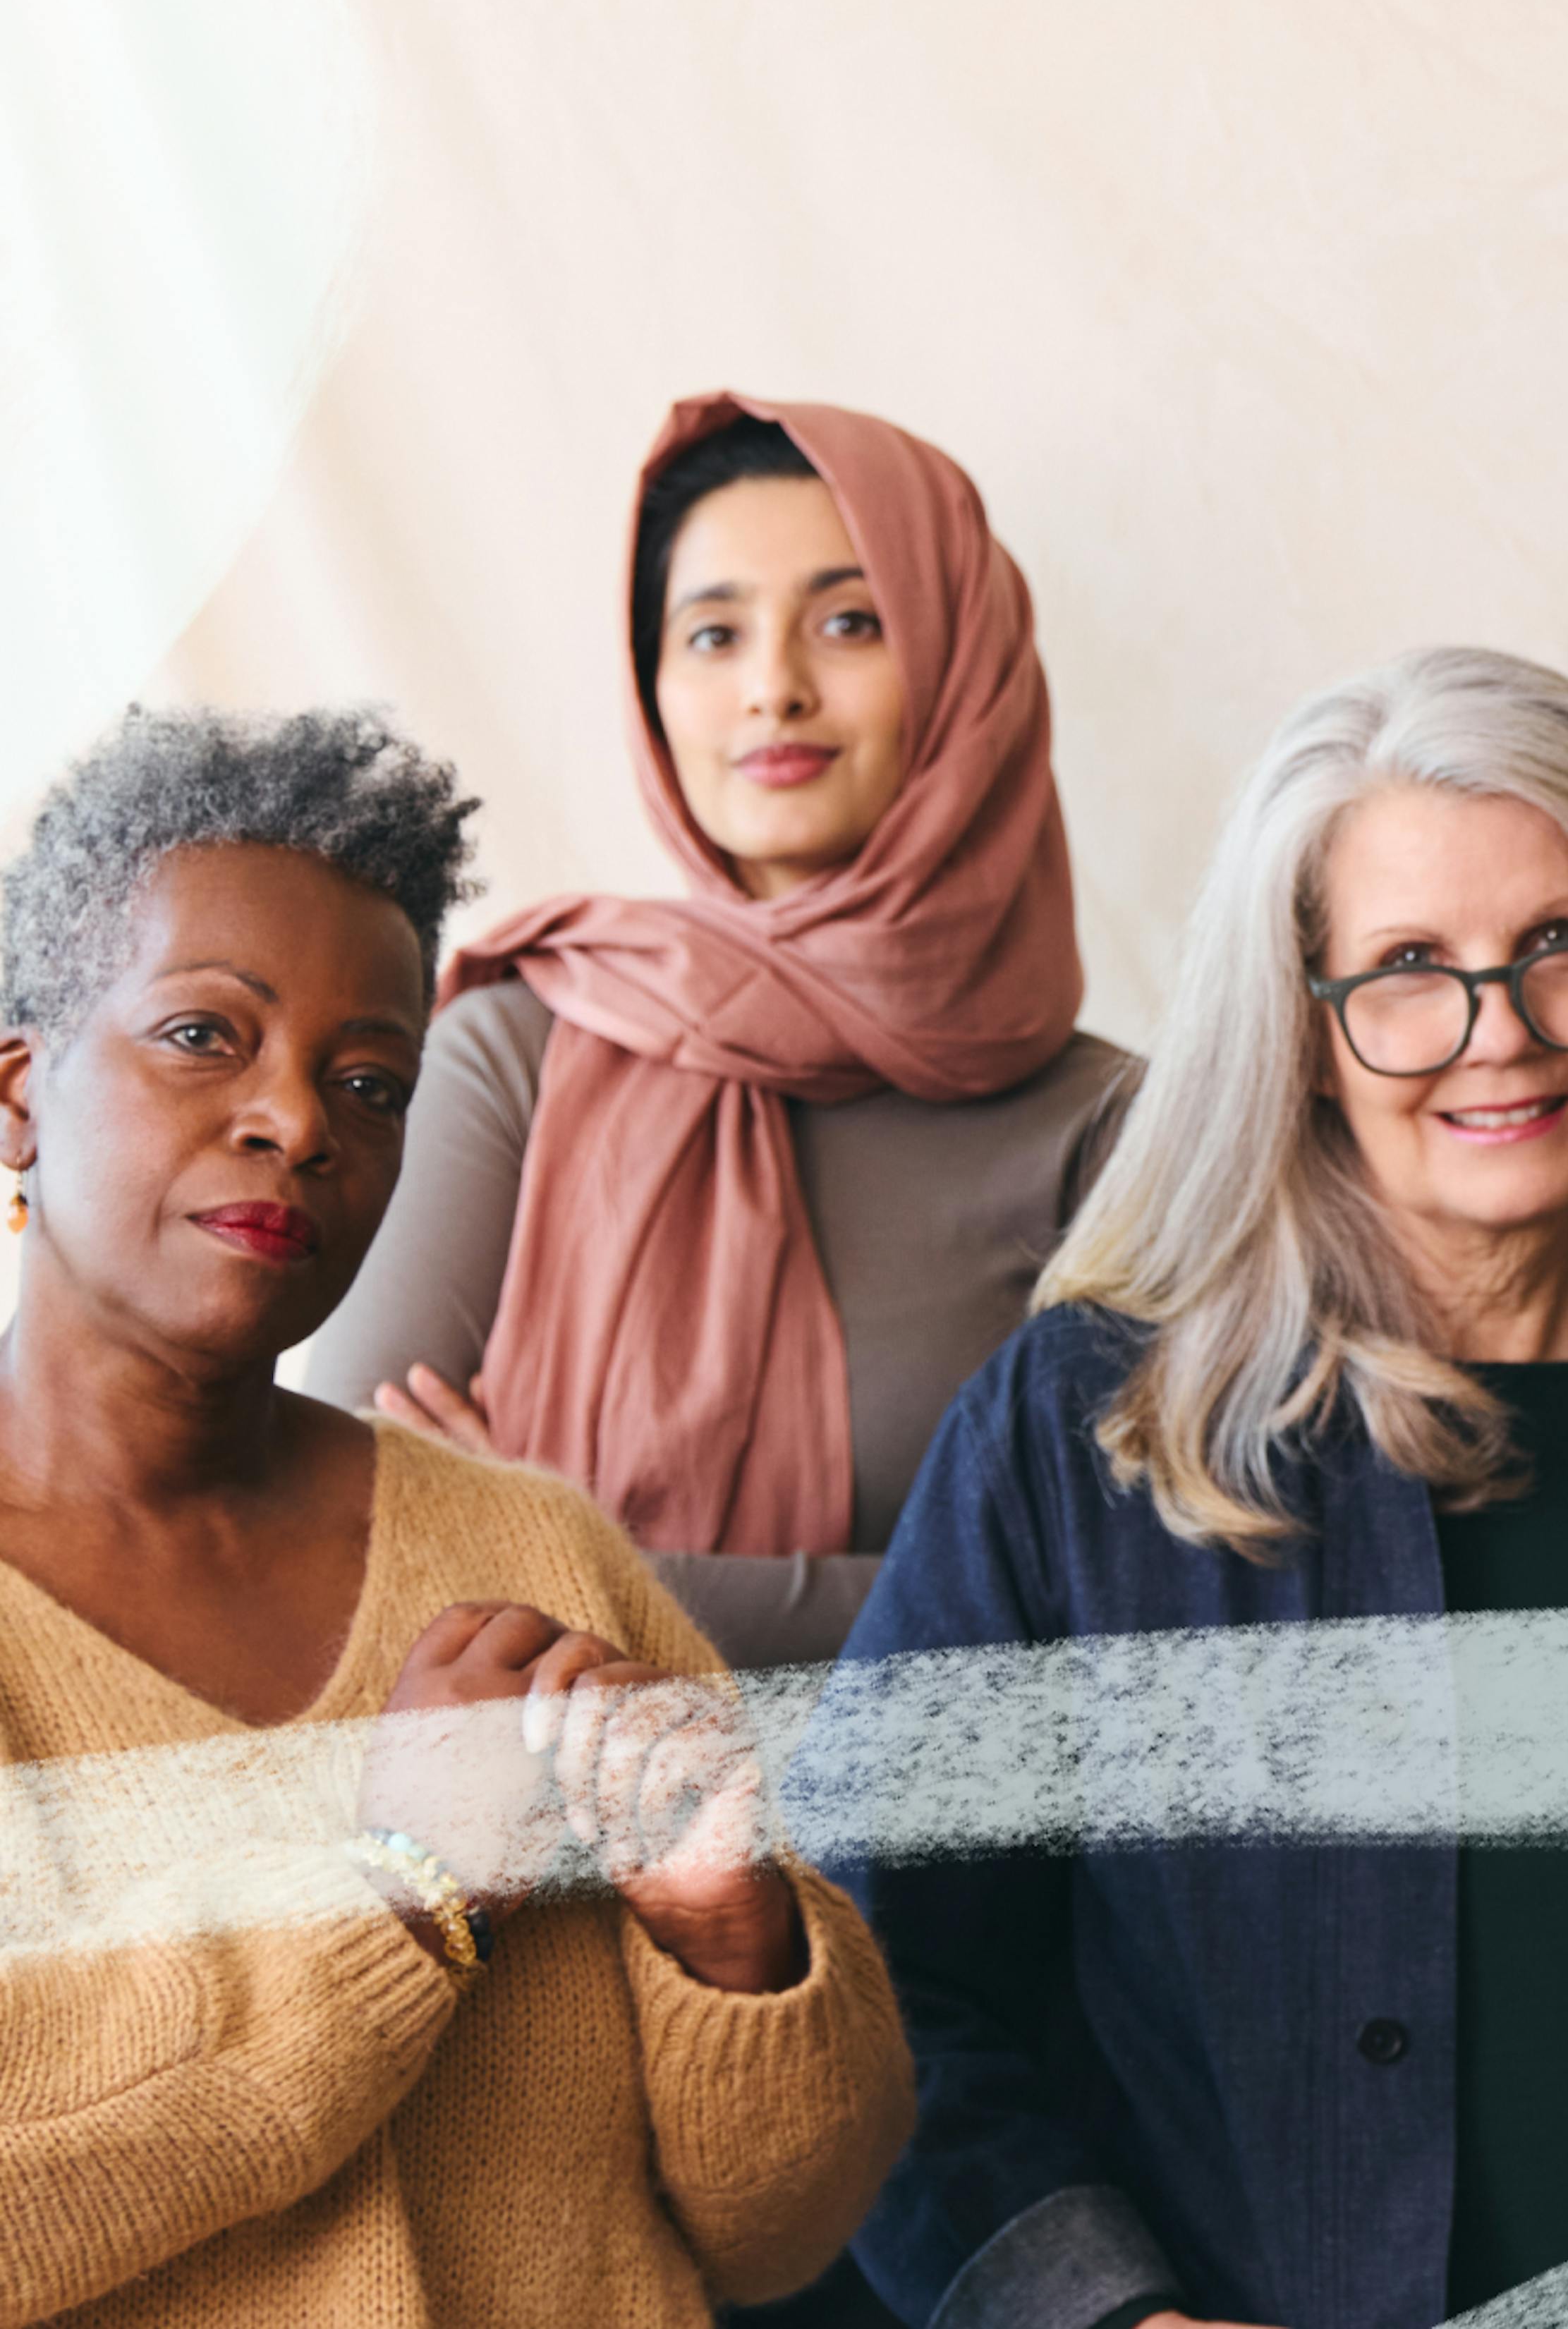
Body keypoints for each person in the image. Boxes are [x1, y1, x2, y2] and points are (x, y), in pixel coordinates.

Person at [827, 648, 1568, 2329]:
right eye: (1408, 967)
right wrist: (1105, 2317)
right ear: (1303, 1035)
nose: (1496, 1034)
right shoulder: (1087, 1433)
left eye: (1564, 947)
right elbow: (870, 1975)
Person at [0, 706, 911, 2326]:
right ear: (18, 1097)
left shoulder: (533, 1554)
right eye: (207, 1034)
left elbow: (781, 2228)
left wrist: (736, 1935)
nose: (301, 1122)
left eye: (372, 1079)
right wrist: (408, 1885)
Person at [308, 394, 1126, 1669]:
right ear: (654, 685)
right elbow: (342, 1519)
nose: (775, 689)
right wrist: (897, 1589)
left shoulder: (1113, 1132)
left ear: (967, 666)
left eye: (851, 621)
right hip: (512, 1843)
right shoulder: (523, 1040)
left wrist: (552, 1553)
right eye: (713, 632)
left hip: (919, 1860)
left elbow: (1102, 1605)